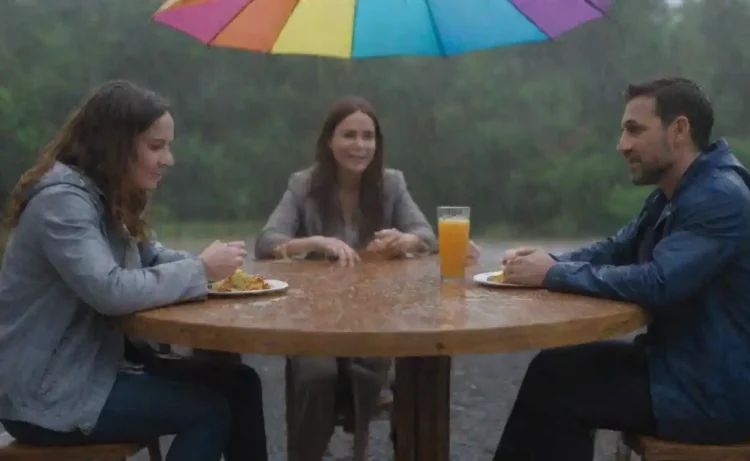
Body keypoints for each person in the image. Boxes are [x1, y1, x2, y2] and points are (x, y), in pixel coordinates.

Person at [492, 77, 750, 460]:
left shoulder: (719, 198)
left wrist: (551, 275)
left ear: (679, 130)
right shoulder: (675, 193)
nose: (622, 145)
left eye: (634, 130)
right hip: (680, 367)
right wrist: (550, 262)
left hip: (714, 393)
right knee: (553, 368)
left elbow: (658, 281)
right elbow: (617, 249)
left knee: (561, 390)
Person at [0, 80, 268, 461]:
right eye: (156, 147)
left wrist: (217, 270)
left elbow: (149, 257)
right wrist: (199, 269)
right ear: (116, 145)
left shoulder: (105, 194)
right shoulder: (63, 203)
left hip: (97, 368)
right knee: (208, 411)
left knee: (241, 383)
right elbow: (111, 291)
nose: (168, 159)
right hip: (49, 394)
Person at [255, 95, 442, 461]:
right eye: (349, 135)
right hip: (314, 315)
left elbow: (427, 235)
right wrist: (314, 242)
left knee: (378, 366)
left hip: (374, 312)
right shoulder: (302, 185)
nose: (360, 145)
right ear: (330, 140)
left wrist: (406, 239)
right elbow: (266, 242)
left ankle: (373, 448)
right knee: (316, 373)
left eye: (368, 136)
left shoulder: (391, 183)